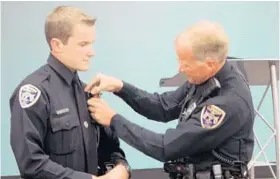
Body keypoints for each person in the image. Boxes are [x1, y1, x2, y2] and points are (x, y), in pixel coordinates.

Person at [85, 21, 255, 179]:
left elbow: (166, 147)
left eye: (185, 63)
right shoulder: (205, 77)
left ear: (210, 64)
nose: (180, 68)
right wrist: (120, 87)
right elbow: (163, 107)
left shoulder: (227, 102)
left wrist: (113, 120)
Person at [9, 6, 131, 179]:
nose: (92, 52)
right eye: (83, 44)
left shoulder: (87, 91)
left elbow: (109, 147)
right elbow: (31, 163)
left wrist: (121, 167)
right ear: (57, 45)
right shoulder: (35, 92)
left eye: (92, 43)